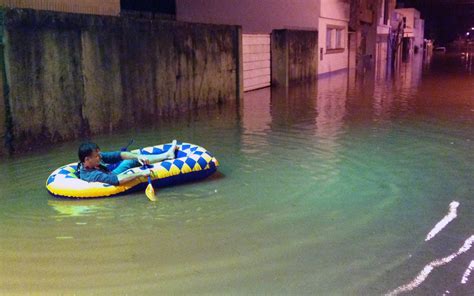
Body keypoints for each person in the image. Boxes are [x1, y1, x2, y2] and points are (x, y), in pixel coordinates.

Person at [77, 140, 177, 185]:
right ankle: (167, 155)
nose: (99, 157)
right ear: (87, 160)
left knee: (131, 158)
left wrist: (139, 157)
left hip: (109, 173)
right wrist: (141, 173)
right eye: (96, 156)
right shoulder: (91, 175)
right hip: (112, 177)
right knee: (128, 163)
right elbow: (117, 180)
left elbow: (119, 155)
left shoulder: (95, 159)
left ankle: (167, 155)